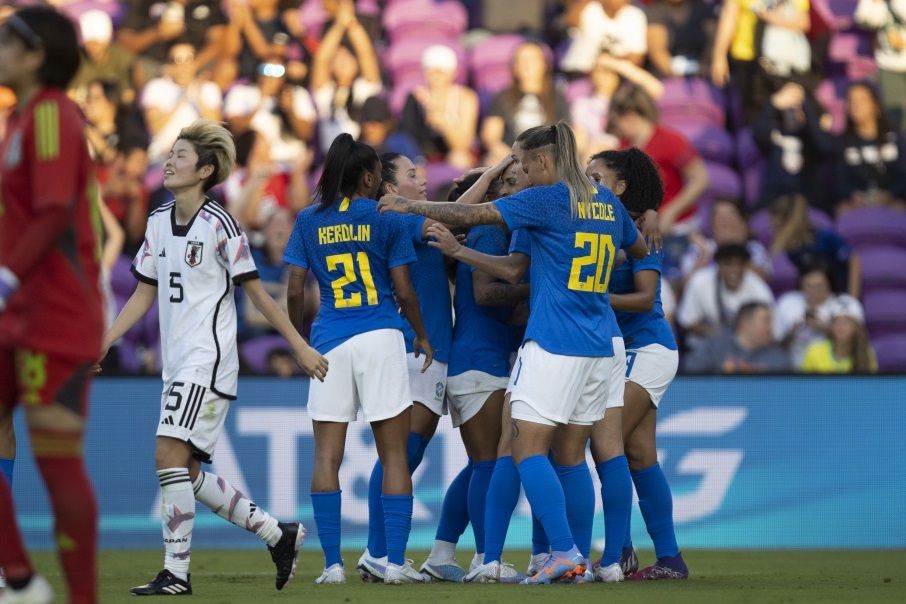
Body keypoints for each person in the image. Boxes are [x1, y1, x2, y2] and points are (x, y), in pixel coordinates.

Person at [378, 121, 649, 584]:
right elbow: (637, 247)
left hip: (554, 342)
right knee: (572, 456)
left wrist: (405, 204)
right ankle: (577, 561)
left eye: (523, 164)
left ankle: (561, 550)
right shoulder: (605, 202)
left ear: (542, 161)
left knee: (524, 450)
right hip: (602, 345)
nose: (520, 172)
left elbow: (473, 217)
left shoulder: (547, 198)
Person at [102, 119, 326, 596]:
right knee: (184, 471)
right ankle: (276, 533)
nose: (169, 161)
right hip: (177, 361)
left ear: (205, 169)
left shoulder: (220, 224)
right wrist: (106, 339)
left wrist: (298, 344)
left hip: (208, 360)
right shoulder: (159, 221)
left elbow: (258, 297)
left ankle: (176, 574)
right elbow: (143, 294)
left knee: (166, 453)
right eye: (171, 154)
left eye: (181, 155)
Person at [283, 133, 433, 585]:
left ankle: (331, 566)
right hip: (380, 336)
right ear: (369, 176)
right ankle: (393, 564)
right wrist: (423, 335)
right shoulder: (383, 216)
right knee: (393, 457)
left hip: (328, 341)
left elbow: (293, 288)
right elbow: (404, 290)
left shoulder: (309, 220)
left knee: (327, 456)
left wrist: (299, 341)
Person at [0, 7, 103, 604]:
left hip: (54, 317)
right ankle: (17, 577)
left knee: (58, 463)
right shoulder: (17, 120)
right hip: (20, 314)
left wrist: (6, 279)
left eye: (6, 41)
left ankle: (71, 596)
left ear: (37, 53)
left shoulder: (50, 117)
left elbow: (52, 212)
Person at [419, 174, 530, 582]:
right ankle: (487, 559)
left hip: (477, 358)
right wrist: (536, 288)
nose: (520, 189)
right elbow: (486, 294)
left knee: (477, 464)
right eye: (512, 182)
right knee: (489, 463)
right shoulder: (489, 230)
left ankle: (441, 552)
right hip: (480, 360)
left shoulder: (494, 230)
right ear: (497, 193)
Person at [584, 148, 688, 580]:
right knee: (640, 454)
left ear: (620, 186)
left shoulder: (647, 230)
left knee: (604, 443)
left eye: (596, 177)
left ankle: (620, 551)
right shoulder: (607, 223)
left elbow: (646, 299)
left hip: (648, 349)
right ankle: (670, 559)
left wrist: (589, 297)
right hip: (621, 352)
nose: (587, 184)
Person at [357, 152, 454, 583]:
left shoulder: (403, 215)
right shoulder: (399, 217)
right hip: (419, 348)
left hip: (419, 348)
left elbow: (448, 214)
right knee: (404, 451)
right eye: (413, 175)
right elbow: (438, 223)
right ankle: (379, 551)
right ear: (391, 189)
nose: (424, 178)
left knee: (404, 451)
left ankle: (377, 551)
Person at [609, 85, 709, 235]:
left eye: (617, 122)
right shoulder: (623, 145)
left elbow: (701, 179)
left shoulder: (670, 141)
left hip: (678, 227)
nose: (616, 128)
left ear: (630, 117)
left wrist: (671, 211)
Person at [310, 0, 381, 155]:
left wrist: (351, 22)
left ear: (357, 64)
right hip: (331, 160)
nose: (342, 60)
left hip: (358, 158)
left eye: (347, 56)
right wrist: (339, 25)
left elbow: (366, 53)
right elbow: (321, 59)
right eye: (338, 57)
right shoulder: (326, 93)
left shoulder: (363, 89)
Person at [480, 41, 569, 164]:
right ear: (514, 66)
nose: (526, 64)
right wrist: (511, 156)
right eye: (520, 60)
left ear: (544, 64)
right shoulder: (502, 96)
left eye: (532, 60)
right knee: (491, 160)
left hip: (547, 158)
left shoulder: (557, 97)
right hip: (509, 156)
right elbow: (491, 135)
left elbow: (565, 135)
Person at [677, 243, 775, 350]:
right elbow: (687, 321)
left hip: (748, 345)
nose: (734, 270)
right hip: (708, 342)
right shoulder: (700, 281)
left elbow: (772, 331)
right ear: (718, 265)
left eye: (739, 265)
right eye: (728, 264)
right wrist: (714, 332)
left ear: (746, 266)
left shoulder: (758, 288)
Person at [400, 44, 479, 170]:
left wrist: (440, 118)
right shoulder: (415, 97)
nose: (436, 77)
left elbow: (462, 145)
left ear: (453, 73)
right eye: (431, 72)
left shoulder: (465, 97)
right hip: (423, 153)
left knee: (459, 158)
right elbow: (408, 135)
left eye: (441, 72)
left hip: (454, 151)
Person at [768, 193, 862, 298]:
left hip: (840, 294)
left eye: (777, 226)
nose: (774, 231)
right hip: (816, 298)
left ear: (791, 223)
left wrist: (852, 299)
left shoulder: (824, 237)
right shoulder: (792, 249)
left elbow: (853, 261)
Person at [835, 81, 906, 215]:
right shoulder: (842, 141)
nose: (855, 106)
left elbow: (904, 176)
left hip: (891, 200)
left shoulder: (895, 137)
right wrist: (853, 195)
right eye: (850, 101)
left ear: (875, 104)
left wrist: (890, 194)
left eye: (861, 100)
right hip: (857, 202)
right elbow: (839, 182)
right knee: (842, 211)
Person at [680, 198, 772, 285]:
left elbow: (763, 280)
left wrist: (736, 249)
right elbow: (685, 288)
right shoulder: (699, 249)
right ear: (711, 224)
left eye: (731, 214)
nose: (724, 219)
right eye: (718, 215)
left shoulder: (754, 249)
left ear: (743, 222)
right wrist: (705, 255)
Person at [684, 301, 790, 373]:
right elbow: (690, 375)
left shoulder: (777, 357)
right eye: (766, 321)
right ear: (746, 323)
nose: (771, 327)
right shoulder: (715, 347)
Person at [774, 261, 837, 369]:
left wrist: (827, 330)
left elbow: (856, 347)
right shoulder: (787, 302)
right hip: (792, 371)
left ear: (829, 285)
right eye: (808, 285)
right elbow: (774, 349)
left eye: (818, 286)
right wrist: (791, 333)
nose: (813, 291)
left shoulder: (840, 305)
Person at [801, 295, 878, 373]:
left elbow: (871, 384)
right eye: (837, 321)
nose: (841, 326)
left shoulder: (867, 354)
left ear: (857, 327)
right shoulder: (814, 352)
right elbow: (805, 384)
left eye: (847, 322)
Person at [645, 0, 717, 79]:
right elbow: (657, 52)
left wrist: (704, 70)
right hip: (668, 77)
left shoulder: (704, 9)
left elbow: (714, 45)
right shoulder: (655, 11)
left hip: (703, 75)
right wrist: (676, 76)